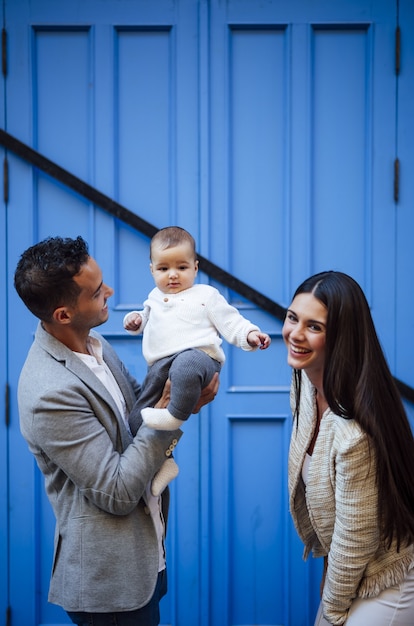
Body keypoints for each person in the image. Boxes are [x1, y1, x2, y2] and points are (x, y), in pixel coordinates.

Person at [14, 235, 218, 626]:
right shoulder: (48, 392)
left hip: (145, 557)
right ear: (63, 314)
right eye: (96, 292)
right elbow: (118, 492)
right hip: (110, 589)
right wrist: (173, 414)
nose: (109, 291)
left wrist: (188, 388)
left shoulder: (94, 344)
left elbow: (139, 411)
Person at [283, 270, 414, 626]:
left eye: (314, 327)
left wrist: (333, 611)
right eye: (293, 317)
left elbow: (355, 537)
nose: (295, 334)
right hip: (350, 567)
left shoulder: (355, 431)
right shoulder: (307, 386)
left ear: (340, 336)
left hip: (389, 577)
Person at [123, 226, 271, 495]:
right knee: (136, 420)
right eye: (163, 268)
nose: (173, 275)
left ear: (195, 267)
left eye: (181, 267)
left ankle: (173, 417)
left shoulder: (206, 295)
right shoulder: (154, 298)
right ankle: (165, 464)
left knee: (185, 366)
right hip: (159, 366)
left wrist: (249, 334)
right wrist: (134, 321)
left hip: (200, 358)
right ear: (152, 270)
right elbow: (143, 320)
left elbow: (231, 321)